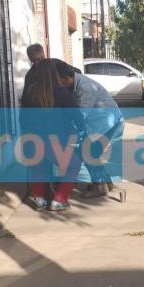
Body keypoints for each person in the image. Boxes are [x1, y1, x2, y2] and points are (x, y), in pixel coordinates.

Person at [20, 59, 84, 212]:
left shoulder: (29, 93)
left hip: (31, 141)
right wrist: (82, 130)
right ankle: (59, 200)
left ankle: (39, 200)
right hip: (55, 142)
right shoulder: (60, 92)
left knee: (40, 165)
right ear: (53, 74)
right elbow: (76, 115)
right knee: (73, 164)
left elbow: (22, 118)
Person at [56, 61, 124, 198]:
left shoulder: (85, 87)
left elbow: (80, 115)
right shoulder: (75, 84)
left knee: (87, 151)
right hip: (102, 123)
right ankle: (106, 183)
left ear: (66, 78)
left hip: (109, 124)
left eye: (59, 81)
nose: (58, 84)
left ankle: (100, 186)